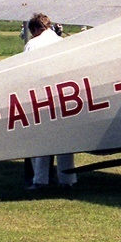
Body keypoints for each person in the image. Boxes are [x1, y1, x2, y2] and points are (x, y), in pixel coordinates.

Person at [23, 13, 76, 190]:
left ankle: (40, 180)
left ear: (36, 29)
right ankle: (67, 180)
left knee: (40, 141)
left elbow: (26, 72)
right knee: (65, 141)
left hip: (42, 96)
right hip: (65, 96)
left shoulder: (33, 44)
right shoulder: (63, 43)